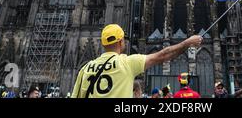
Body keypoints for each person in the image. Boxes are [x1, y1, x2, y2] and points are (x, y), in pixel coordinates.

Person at [72, 24, 203, 98]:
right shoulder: (127, 63)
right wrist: (187, 43)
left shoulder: (85, 69)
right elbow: (163, 55)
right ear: (121, 41)